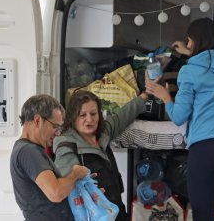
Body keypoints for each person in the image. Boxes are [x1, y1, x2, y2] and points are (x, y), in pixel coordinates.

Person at [145, 17, 214, 221]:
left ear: (194, 40)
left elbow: (179, 116)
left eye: (190, 41)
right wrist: (189, 51)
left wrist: (165, 96)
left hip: (206, 149)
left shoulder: (188, 71)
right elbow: (208, 59)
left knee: (203, 215)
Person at [53, 90, 148, 221]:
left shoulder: (102, 133)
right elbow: (65, 188)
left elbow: (122, 116)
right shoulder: (66, 144)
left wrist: (145, 95)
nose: (89, 119)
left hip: (116, 212)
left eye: (93, 114)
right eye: (82, 115)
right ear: (72, 117)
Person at [10, 94, 88, 221]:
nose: (57, 133)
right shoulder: (28, 151)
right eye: (55, 127)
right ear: (37, 120)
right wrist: (75, 173)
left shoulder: (27, 150)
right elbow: (56, 193)